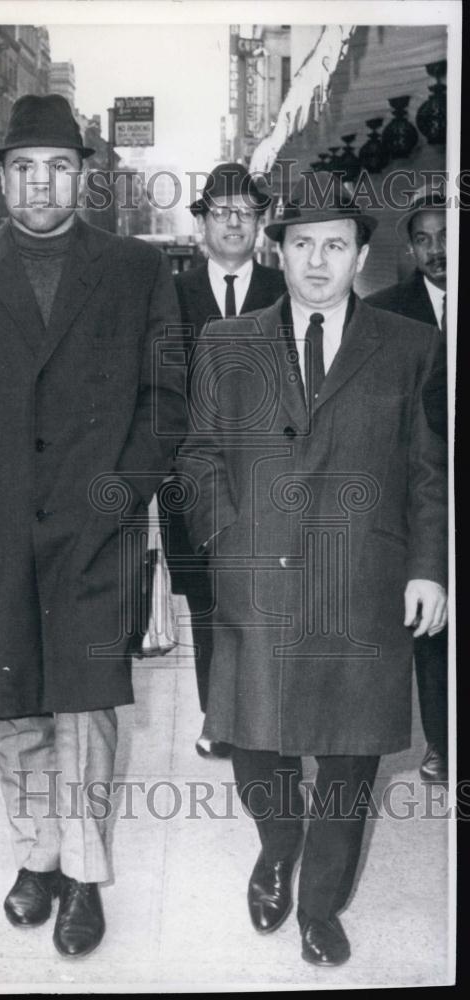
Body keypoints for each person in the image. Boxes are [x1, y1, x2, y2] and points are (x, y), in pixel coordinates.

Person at [0, 94, 187, 958]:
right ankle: (38, 857)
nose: (41, 184)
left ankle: (86, 876)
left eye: (58, 166)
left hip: (99, 527)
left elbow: (165, 399)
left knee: (87, 707)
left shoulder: (136, 270)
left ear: (84, 177)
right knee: (14, 704)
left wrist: (124, 493)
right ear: (2, 180)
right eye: (24, 168)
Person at [177, 176, 447, 966]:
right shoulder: (227, 345)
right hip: (256, 580)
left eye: (335, 245)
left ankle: (320, 905)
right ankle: (277, 844)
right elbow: (196, 456)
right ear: (278, 251)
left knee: (349, 754)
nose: (318, 261)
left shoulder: (408, 347)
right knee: (253, 740)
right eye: (301, 245)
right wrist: (227, 540)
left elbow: (427, 471)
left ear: (362, 254)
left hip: (362, 584)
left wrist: (427, 569)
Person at [168, 163, 286, 760]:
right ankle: (218, 718)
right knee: (207, 600)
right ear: (202, 223)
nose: (235, 222)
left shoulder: (287, 290)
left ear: (261, 224)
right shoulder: (168, 295)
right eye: (222, 211)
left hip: (273, 476)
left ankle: (271, 718)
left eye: (247, 211)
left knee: (270, 595)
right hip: (191, 477)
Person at [365, 184, 449, 784]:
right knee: (431, 623)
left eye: (446, 237)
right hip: (423, 487)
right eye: (423, 240)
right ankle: (442, 743)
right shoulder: (390, 313)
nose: (436, 250)